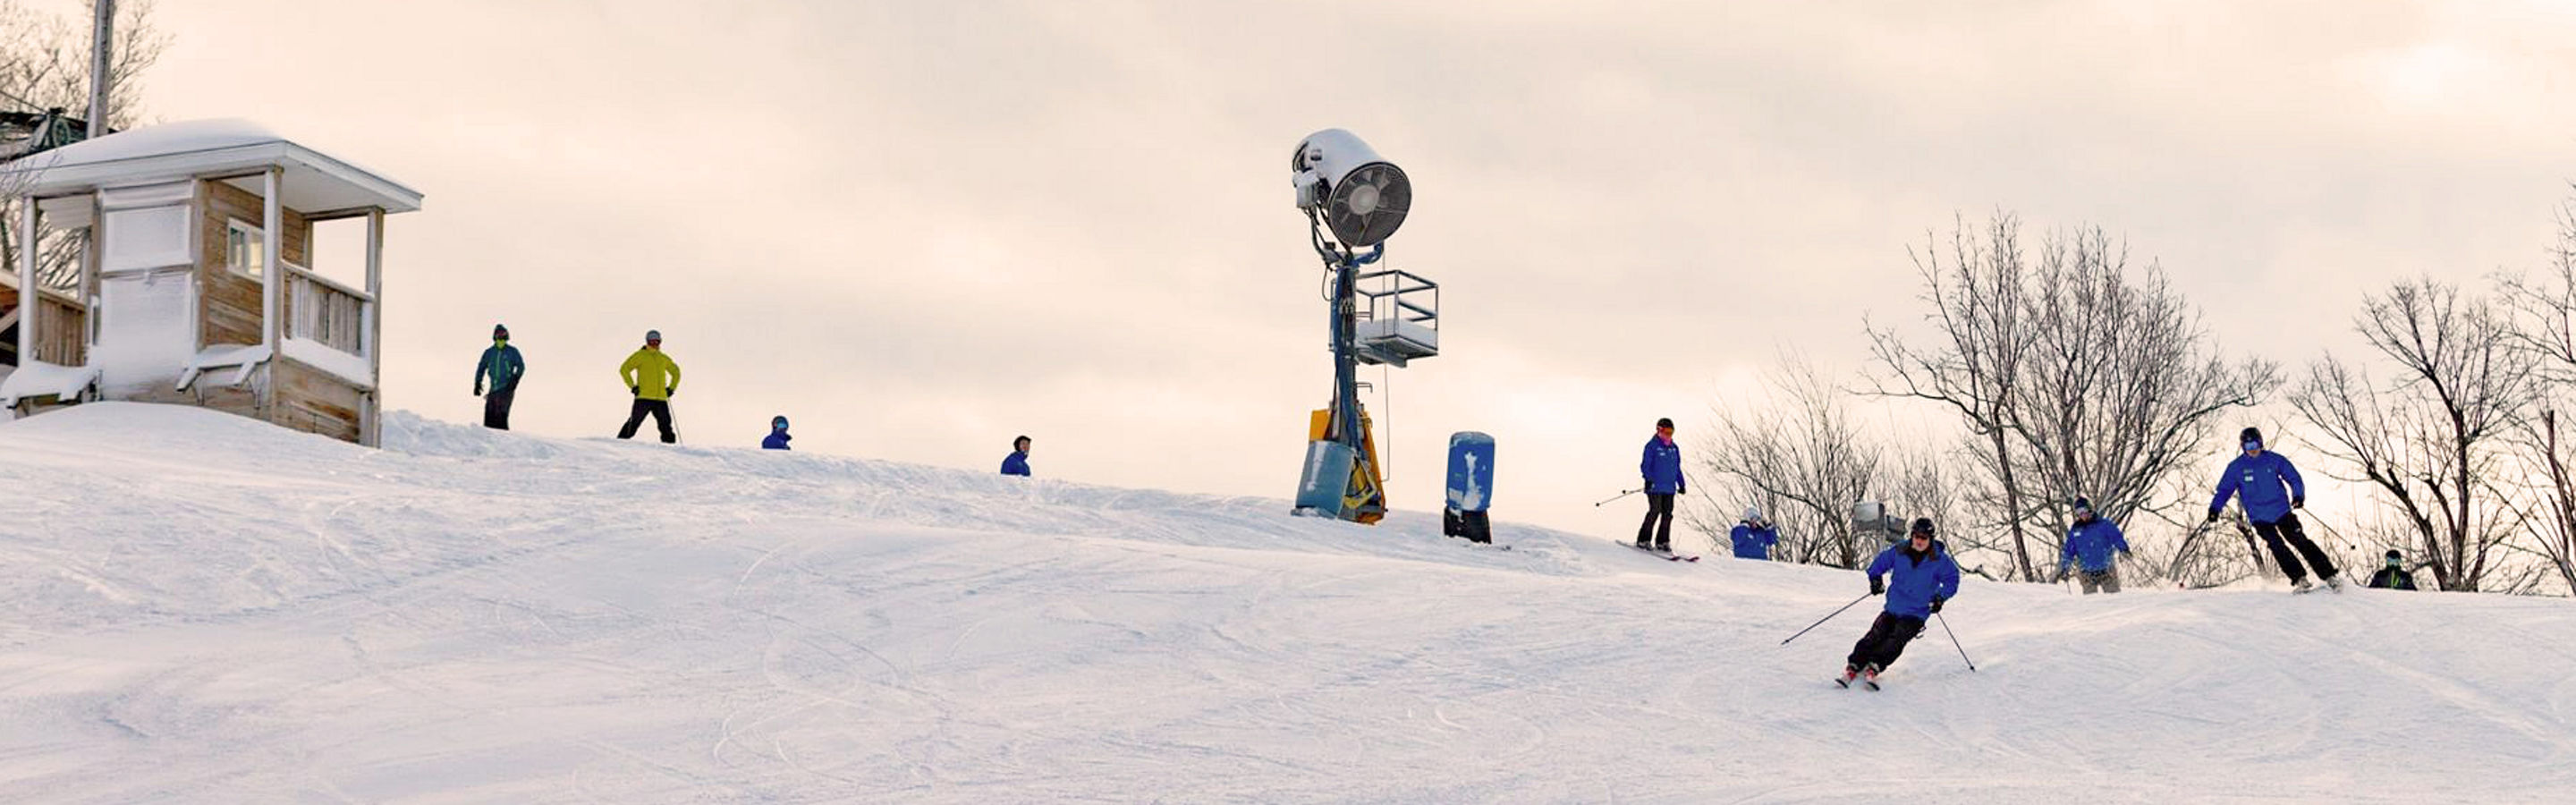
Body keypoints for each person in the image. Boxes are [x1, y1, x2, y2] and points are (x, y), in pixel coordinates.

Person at [2208, 427, 2342, 592]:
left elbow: (2294, 477)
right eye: (2249, 447)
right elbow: (2224, 490)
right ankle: (2299, 579)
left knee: (2299, 540)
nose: (2253, 450)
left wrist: (2298, 496)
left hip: (2282, 511)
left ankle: (2329, 575)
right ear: (2243, 447)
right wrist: (2214, 508)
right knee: (2276, 545)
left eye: (2255, 445)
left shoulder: (2274, 460)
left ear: (2261, 443)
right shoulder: (2236, 467)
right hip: (2259, 517)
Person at [1842, 517, 1962, 687]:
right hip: (1894, 607)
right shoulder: (1900, 551)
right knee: (1876, 634)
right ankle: (1855, 663)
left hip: (1917, 612)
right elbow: (1879, 563)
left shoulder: (1939, 559)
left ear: (1930, 539)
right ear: (1912, 535)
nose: (1919, 541)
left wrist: (1940, 597)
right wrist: (1875, 579)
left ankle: (1875, 665)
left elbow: (1952, 580)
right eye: (1917, 536)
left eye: (1924, 538)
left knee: (1896, 639)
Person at [616, 329, 682, 444]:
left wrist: (671, 388)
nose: (654, 344)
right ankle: (620, 443)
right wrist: (633, 386)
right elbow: (624, 369)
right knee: (634, 422)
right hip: (644, 397)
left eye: (657, 342)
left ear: (660, 342)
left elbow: (676, 372)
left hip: (660, 398)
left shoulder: (663, 358)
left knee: (665, 425)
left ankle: (671, 449)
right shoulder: (640, 356)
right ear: (647, 342)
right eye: (652, 342)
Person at [2056, 496, 2133, 594]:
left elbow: (2117, 537)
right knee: (2091, 604)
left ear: (2090, 509)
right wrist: (2065, 567)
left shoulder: (2104, 525)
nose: (2082, 514)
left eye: (2084, 510)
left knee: (2114, 599)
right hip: (2087, 573)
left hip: (2106, 570)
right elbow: (2069, 551)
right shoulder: (2076, 530)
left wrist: (2124, 549)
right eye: (2079, 512)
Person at [1636, 417, 1684, 552]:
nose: (1669, 435)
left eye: (1671, 432)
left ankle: (1663, 541)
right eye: (1666, 432)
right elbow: (1645, 465)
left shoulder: (1674, 448)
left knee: (1667, 514)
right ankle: (1643, 539)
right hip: (1655, 487)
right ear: (1659, 430)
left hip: (1669, 488)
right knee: (1655, 511)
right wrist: (1648, 479)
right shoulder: (1652, 446)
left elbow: (1677, 467)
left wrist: (1681, 484)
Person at [471, 323, 525, 430]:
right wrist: (477, 383)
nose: (501, 338)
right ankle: (490, 444)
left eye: (503, 335)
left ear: (507, 336)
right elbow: (481, 367)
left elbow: (521, 366)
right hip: (493, 389)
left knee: (501, 416)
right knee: (489, 419)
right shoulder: (489, 353)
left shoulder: (512, 351)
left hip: (506, 388)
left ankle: (504, 442)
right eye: (498, 335)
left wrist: (514, 380)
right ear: (494, 337)